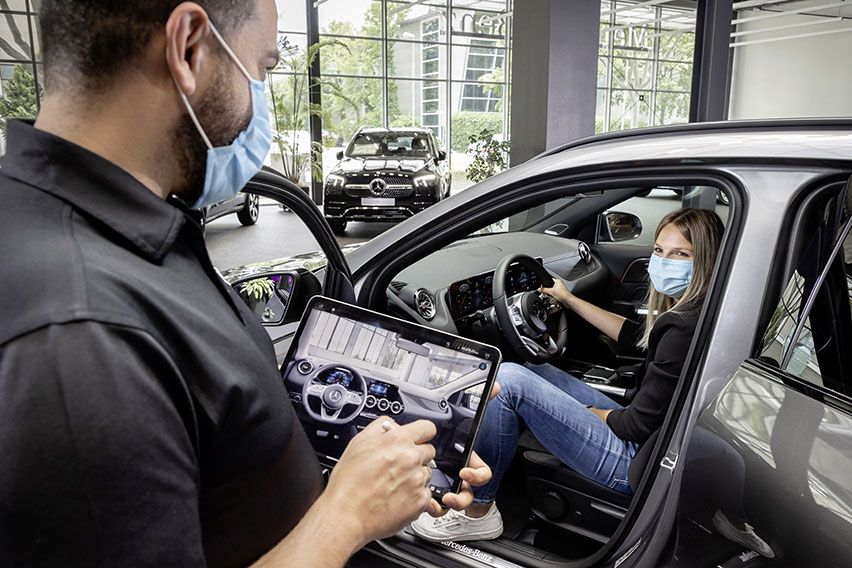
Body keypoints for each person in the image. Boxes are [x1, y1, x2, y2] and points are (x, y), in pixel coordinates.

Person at [0, 2, 490, 566]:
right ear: (188, 47)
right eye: (261, 66)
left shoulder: (121, 234)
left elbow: (214, 426)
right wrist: (348, 513)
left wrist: (383, 446)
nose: (259, 95)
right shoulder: (79, 340)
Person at [411, 207, 725, 542]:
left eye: (680, 254)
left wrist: (593, 414)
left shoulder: (682, 329)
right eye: (659, 250)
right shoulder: (696, 311)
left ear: (705, 259)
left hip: (638, 460)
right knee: (534, 368)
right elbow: (637, 337)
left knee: (511, 382)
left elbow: (634, 425)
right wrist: (569, 300)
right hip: (654, 438)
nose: (664, 260)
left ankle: (479, 512)